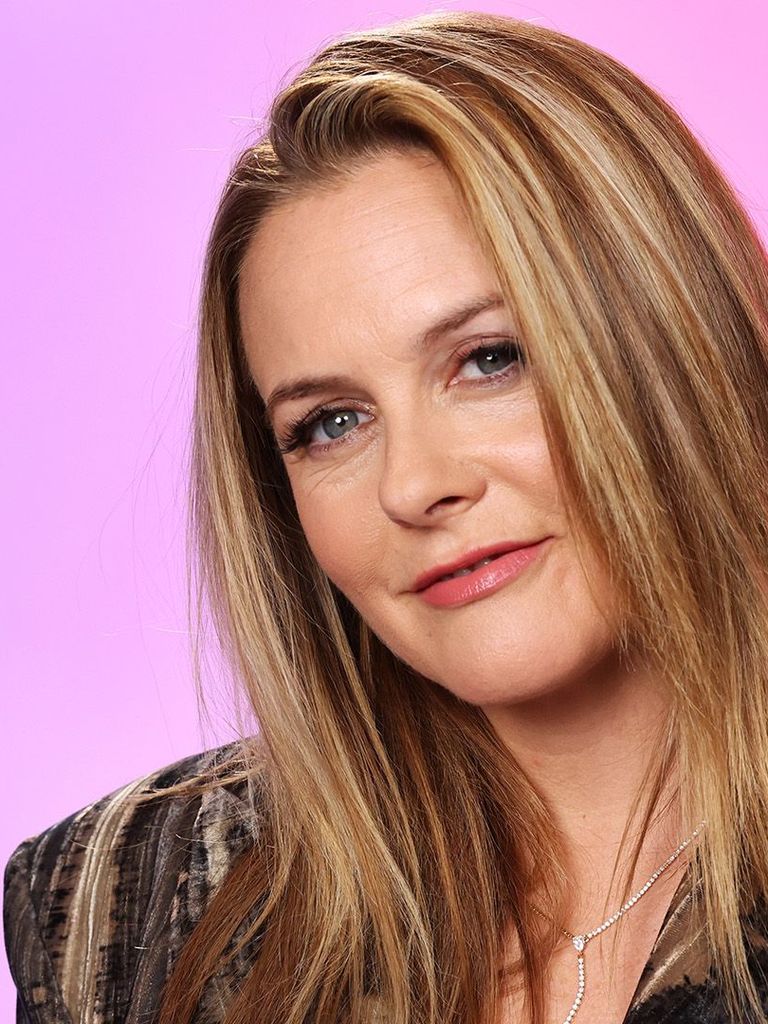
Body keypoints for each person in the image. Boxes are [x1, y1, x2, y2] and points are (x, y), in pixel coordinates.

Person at [5, 9, 768, 1024]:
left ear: (671, 336)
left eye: (489, 359)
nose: (413, 486)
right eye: (331, 423)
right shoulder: (126, 905)